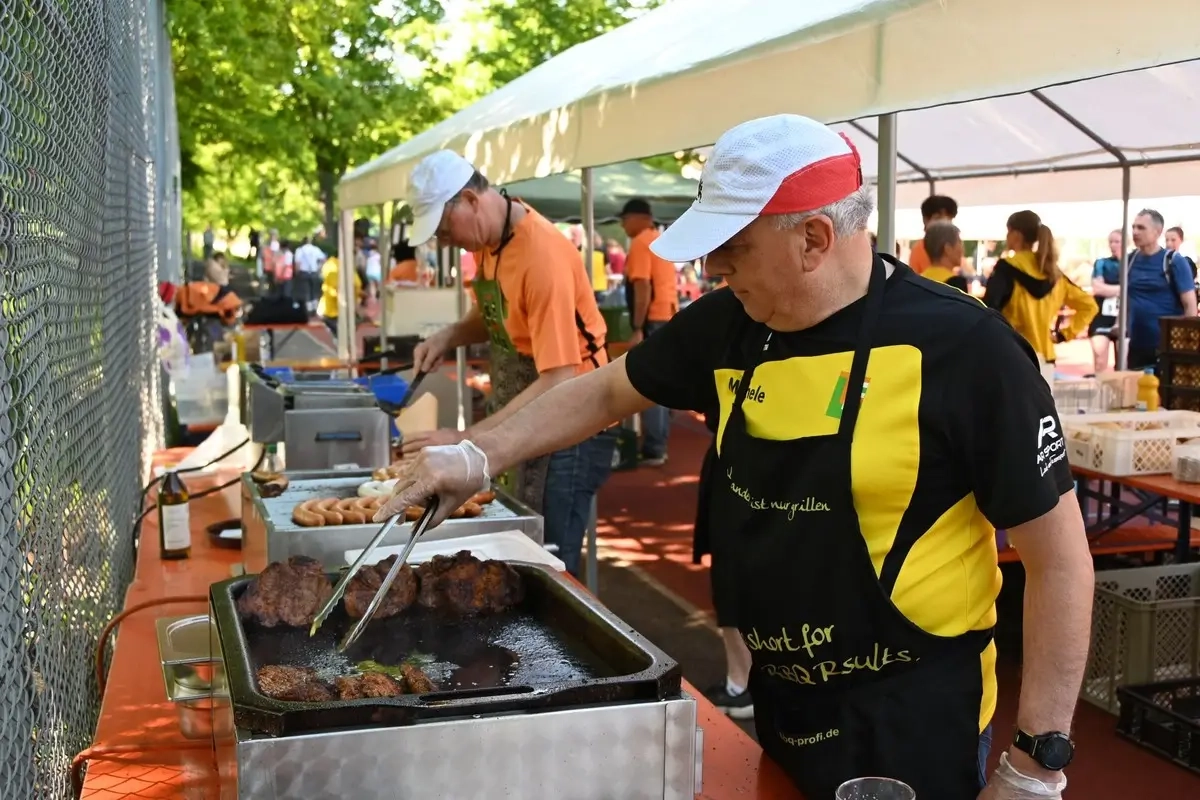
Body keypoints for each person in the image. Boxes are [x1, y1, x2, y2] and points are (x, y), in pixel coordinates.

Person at [376, 115, 1093, 800]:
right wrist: (477, 455)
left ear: (813, 238)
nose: (714, 267)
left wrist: (1037, 765)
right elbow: (604, 391)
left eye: (734, 247)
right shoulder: (732, 322)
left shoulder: (966, 350)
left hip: (914, 717)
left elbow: (1059, 560)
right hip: (785, 705)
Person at [399, 150, 616, 577]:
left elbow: (558, 377)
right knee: (519, 541)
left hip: (574, 418)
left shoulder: (542, 257)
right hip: (528, 405)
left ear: (470, 200)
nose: (444, 241)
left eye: (444, 229)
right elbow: (494, 313)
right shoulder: (490, 243)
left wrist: (466, 439)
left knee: (549, 556)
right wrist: (448, 336)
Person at [694, 410, 754, 721]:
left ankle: (741, 683)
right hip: (792, 465)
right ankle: (744, 680)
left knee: (732, 574)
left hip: (743, 462)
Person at [983, 210, 1097, 365]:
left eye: (1008, 232)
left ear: (1016, 235)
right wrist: (1063, 334)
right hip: (1046, 356)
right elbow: (1090, 306)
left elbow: (988, 309)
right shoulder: (1054, 274)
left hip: (1013, 355)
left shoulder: (1006, 268)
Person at [621, 198, 679, 466]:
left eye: (624, 219)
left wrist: (637, 327)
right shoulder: (659, 239)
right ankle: (658, 442)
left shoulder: (641, 242)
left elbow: (643, 287)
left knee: (650, 383)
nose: (623, 225)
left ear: (638, 218)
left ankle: (654, 446)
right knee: (664, 380)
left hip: (653, 319)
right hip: (668, 314)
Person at [1125, 209, 1198, 369]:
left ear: (1157, 232)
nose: (1135, 232)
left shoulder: (1174, 261)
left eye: (1141, 228)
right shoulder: (1129, 261)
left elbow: (1190, 305)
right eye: (1134, 227)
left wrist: (1186, 343)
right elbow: (1126, 299)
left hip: (1167, 346)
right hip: (1137, 346)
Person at [1088, 230, 1123, 374]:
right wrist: (1123, 289)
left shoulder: (1132, 263)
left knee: (1123, 365)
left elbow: (1134, 288)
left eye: (1117, 242)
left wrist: (1109, 289)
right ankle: (1099, 387)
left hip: (1124, 318)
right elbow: (1097, 288)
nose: (1113, 245)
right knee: (1100, 362)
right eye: (1111, 242)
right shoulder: (1101, 263)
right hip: (1101, 316)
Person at [907, 195, 958, 274]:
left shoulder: (954, 245)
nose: (945, 223)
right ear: (925, 220)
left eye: (949, 219)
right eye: (939, 218)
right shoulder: (919, 249)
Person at [316, 255, 361, 337]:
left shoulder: (329, 266)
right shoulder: (349, 269)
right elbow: (357, 286)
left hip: (328, 309)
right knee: (344, 333)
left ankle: (339, 336)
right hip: (336, 310)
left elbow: (325, 283)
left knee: (341, 334)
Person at [921, 221, 970, 292]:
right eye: (959, 242)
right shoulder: (955, 284)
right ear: (948, 249)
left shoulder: (917, 281)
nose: (963, 249)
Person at [294, 236, 326, 312]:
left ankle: (308, 308)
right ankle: (315, 307)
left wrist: (296, 272)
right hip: (314, 272)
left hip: (304, 272)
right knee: (314, 290)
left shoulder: (299, 250)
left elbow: (298, 263)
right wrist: (320, 268)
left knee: (306, 291)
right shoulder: (316, 249)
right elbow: (323, 258)